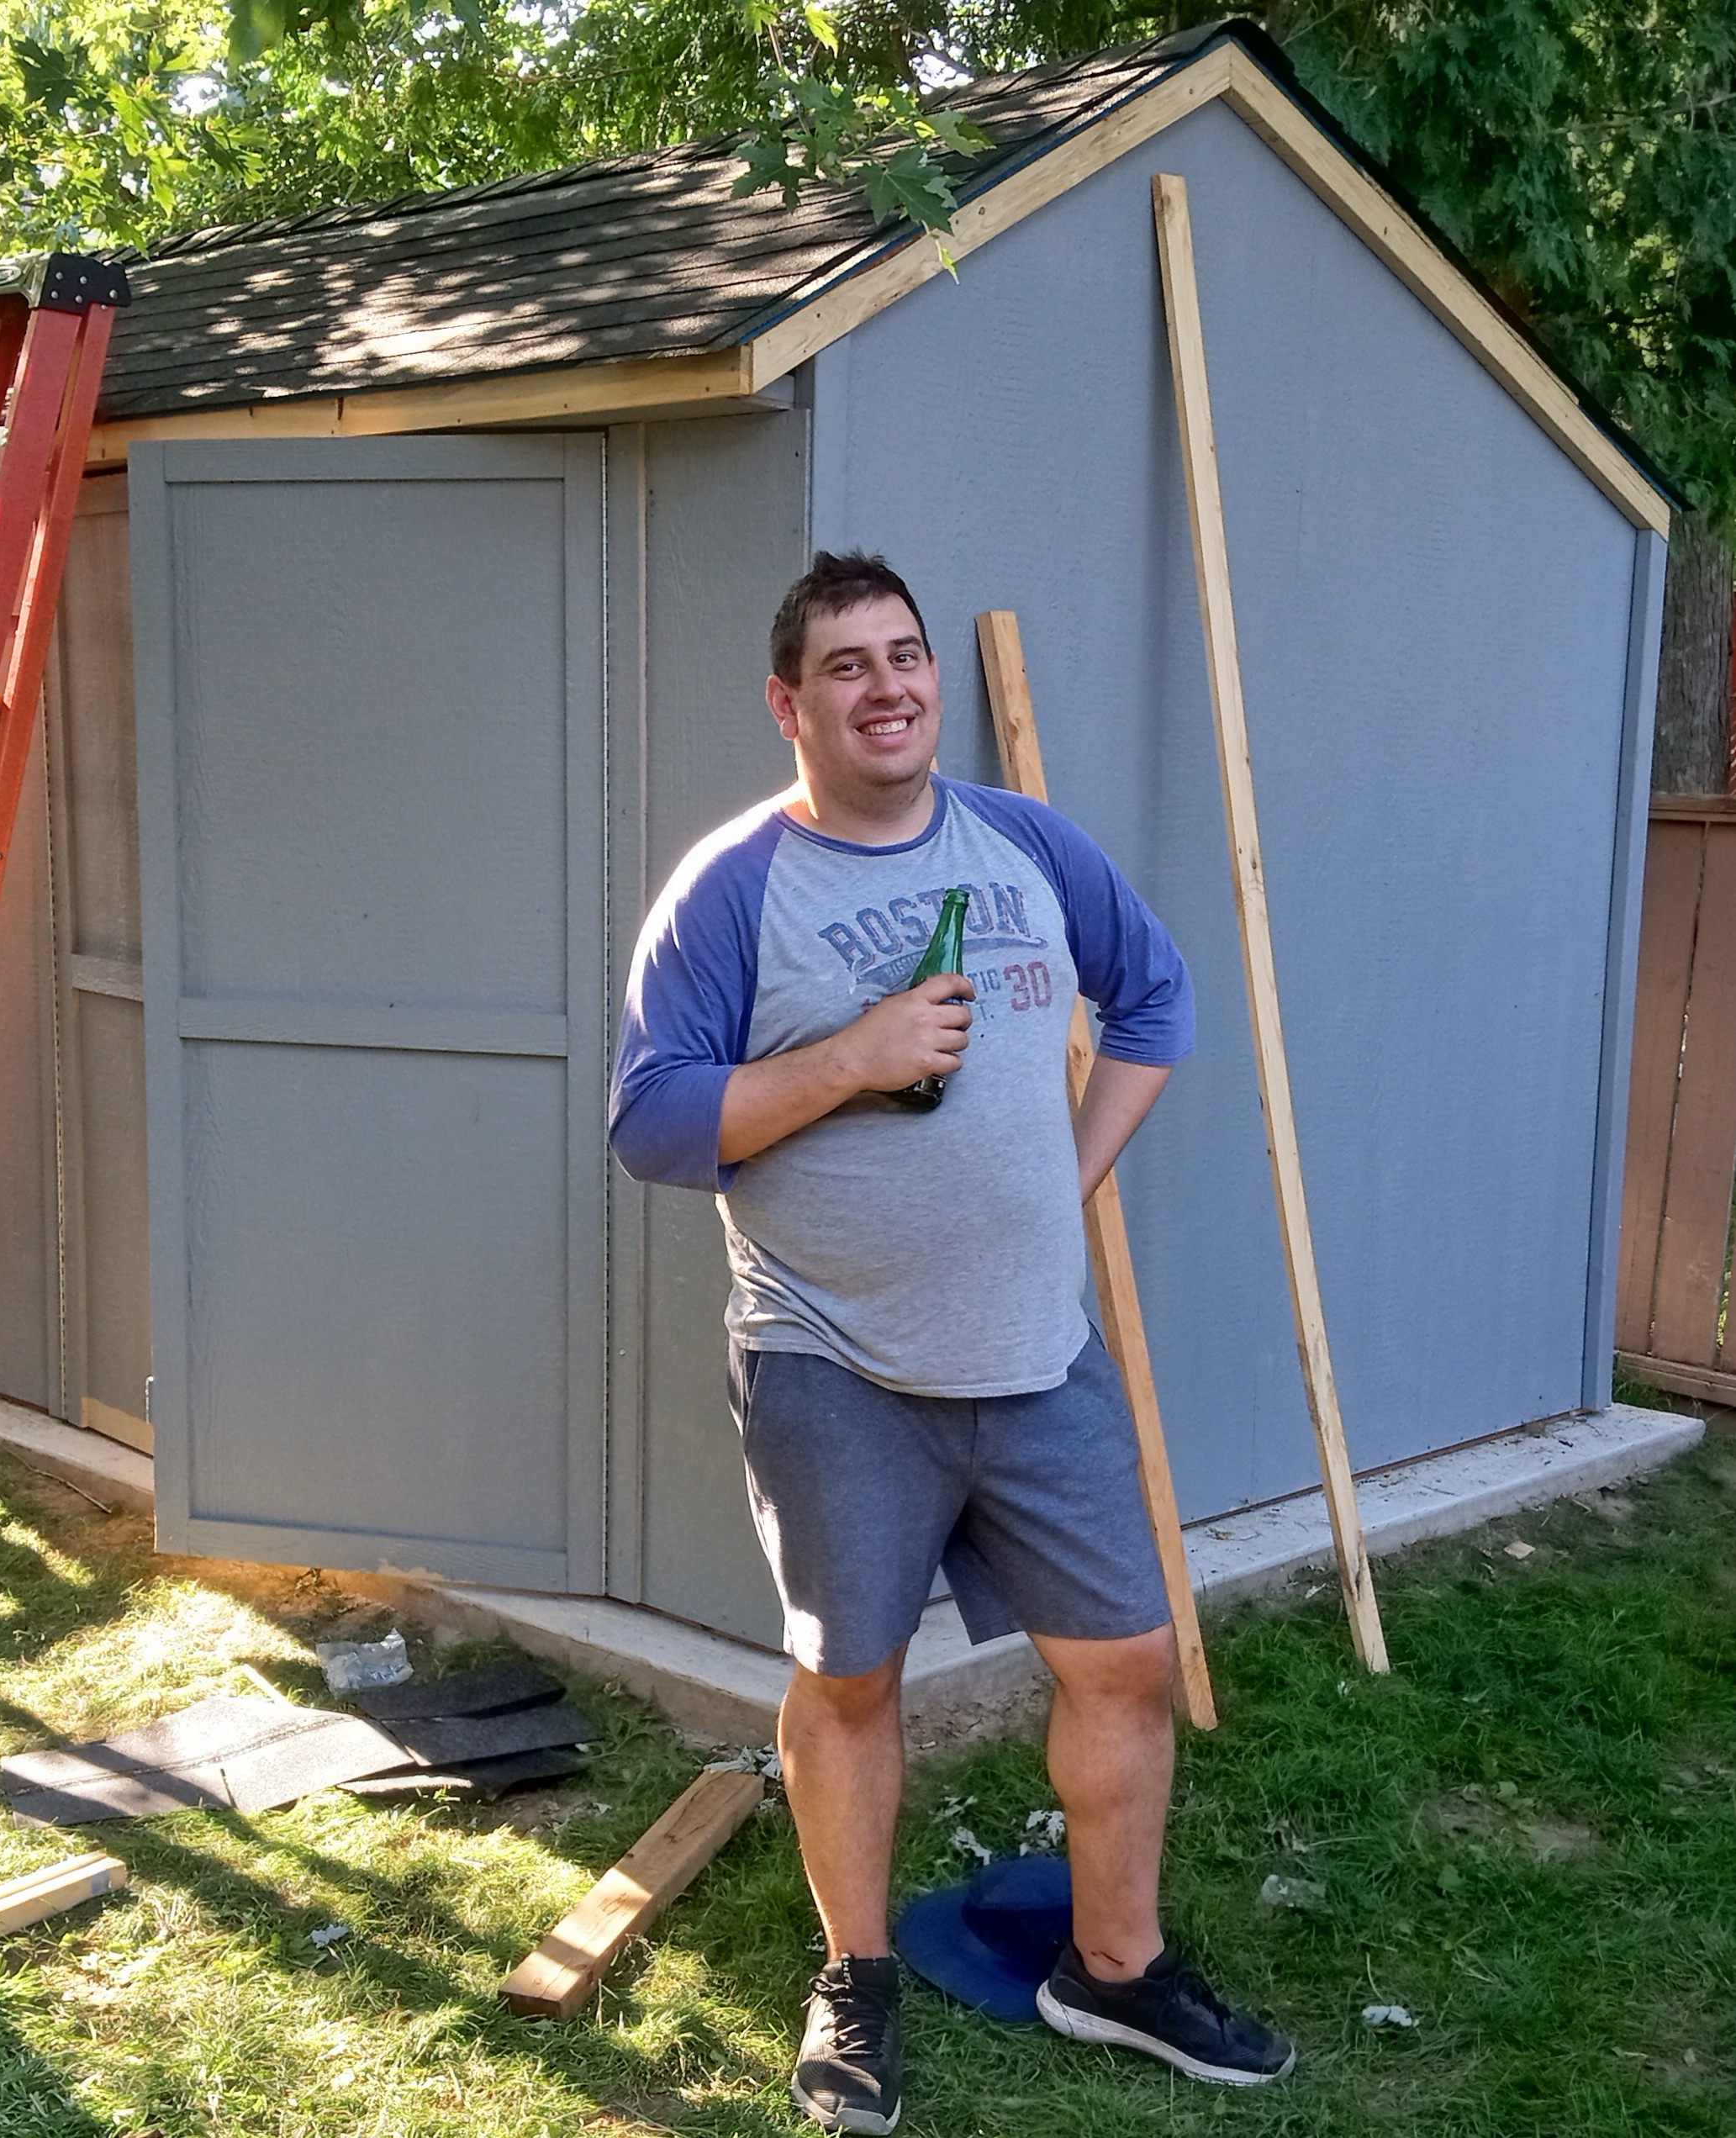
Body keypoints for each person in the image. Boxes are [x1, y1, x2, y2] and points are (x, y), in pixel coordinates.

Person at [608, 552, 1294, 2134]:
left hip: (1034, 1358)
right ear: (790, 705)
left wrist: (1064, 1173)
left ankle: (1112, 1968)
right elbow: (653, 1125)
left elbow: (1158, 1003)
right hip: (831, 1359)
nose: (889, 685)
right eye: (846, 666)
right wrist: (849, 1058)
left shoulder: (1029, 847)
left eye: (905, 655)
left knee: (1123, 1662)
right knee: (850, 1681)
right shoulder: (732, 888)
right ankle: (857, 1983)